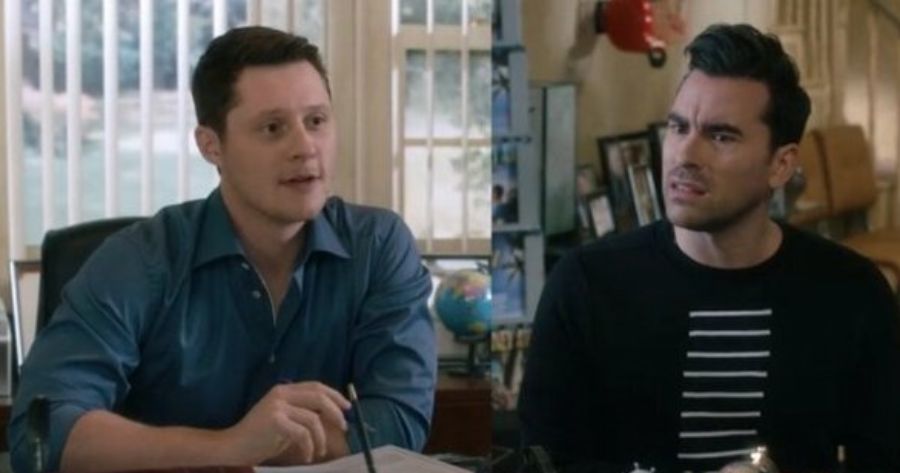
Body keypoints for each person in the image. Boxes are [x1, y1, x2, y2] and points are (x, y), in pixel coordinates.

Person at [9, 26, 436, 473]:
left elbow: (400, 420)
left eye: (316, 121)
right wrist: (229, 446)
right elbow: (42, 434)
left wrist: (265, 445)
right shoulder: (139, 260)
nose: (305, 147)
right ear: (211, 146)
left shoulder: (378, 246)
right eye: (273, 128)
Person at [519, 23, 900, 473]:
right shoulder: (586, 284)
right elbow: (541, 463)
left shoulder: (851, 294)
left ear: (781, 165)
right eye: (678, 127)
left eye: (721, 136)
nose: (685, 155)